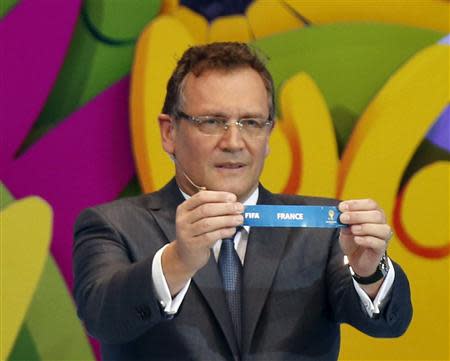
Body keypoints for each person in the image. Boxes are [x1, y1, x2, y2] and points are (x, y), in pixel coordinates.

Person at [73, 42, 412, 361]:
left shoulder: (321, 229)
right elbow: (102, 318)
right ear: (169, 132)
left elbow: (387, 323)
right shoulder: (112, 226)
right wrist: (178, 260)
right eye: (212, 122)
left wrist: (371, 273)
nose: (234, 142)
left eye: (250, 123)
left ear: (268, 135)